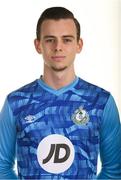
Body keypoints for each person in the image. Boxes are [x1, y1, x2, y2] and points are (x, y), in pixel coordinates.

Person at [0, 6, 121, 180]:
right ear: (38, 45)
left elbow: (114, 170)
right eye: (50, 40)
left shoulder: (101, 101)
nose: (58, 47)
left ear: (79, 45)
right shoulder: (16, 102)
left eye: (67, 40)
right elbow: (2, 167)